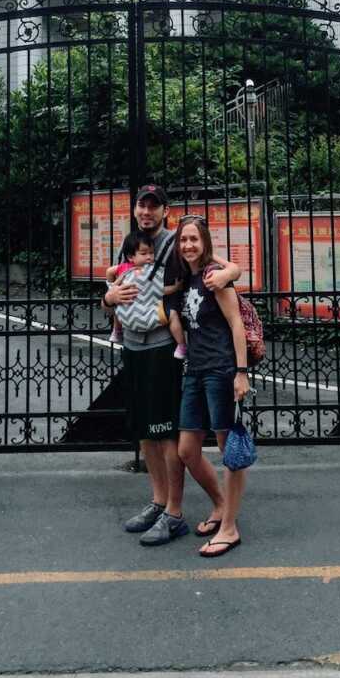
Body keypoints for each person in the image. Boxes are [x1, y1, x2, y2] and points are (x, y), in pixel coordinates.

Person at [102, 184, 240, 547]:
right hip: (132, 342)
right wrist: (108, 297)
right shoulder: (129, 244)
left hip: (163, 345)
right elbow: (115, 287)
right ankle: (158, 500)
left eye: (153, 206)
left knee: (167, 431)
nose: (146, 212)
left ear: (165, 210)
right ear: (135, 210)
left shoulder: (176, 243)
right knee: (146, 430)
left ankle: (174, 512)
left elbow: (209, 262)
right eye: (141, 206)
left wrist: (231, 273)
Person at [174, 214, 250, 558]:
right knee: (187, 450)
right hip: (195, 370)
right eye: (183, 239)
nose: (188, 245)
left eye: (195, 239)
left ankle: (230, 528)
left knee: (228, 451)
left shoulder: (212, 278)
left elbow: (236, 324)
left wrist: (241, 372)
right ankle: (220, 505)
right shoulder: (187, 279)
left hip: (220, 370)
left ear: (205, 242)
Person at [105, 229, 187, 359]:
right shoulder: (126, 268)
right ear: (131, 257)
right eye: (144, 253)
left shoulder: (131, 268)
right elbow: (109, 271)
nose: (149, 257)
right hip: (133, 313)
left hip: (135, 317)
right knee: (172, 315)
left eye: (151, 253)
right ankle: (117, 330)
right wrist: (112, 287)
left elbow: (159, 289)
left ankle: (181, 345)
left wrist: (175, 287)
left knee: (118, 309)